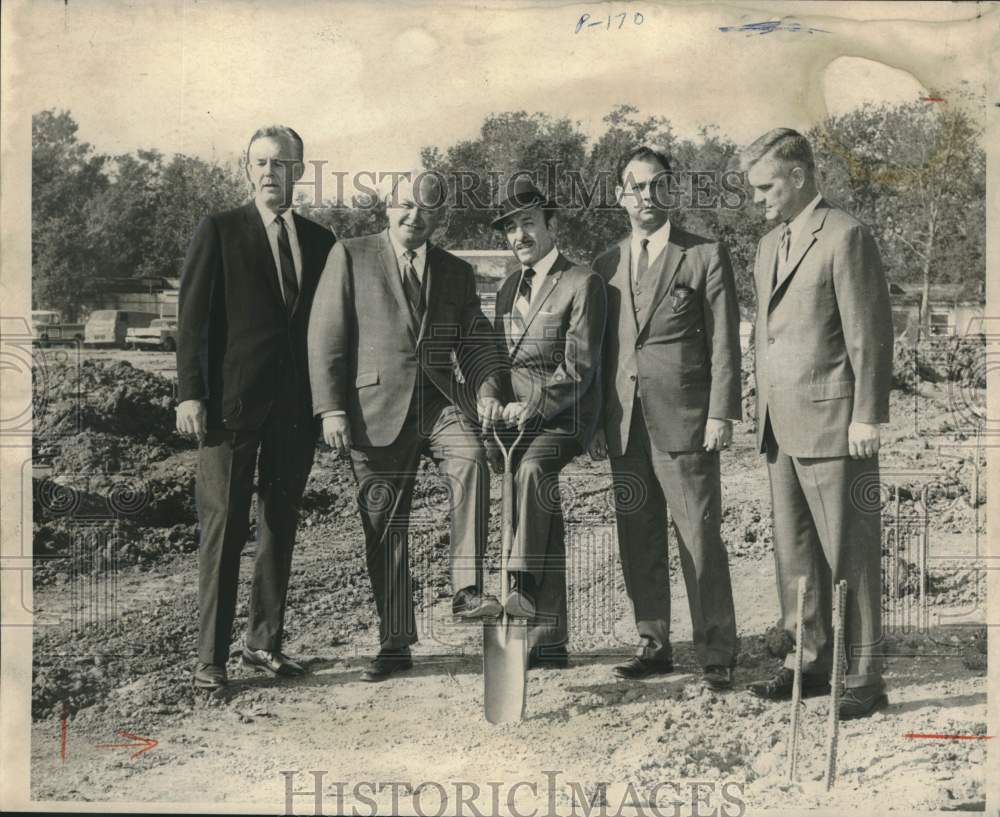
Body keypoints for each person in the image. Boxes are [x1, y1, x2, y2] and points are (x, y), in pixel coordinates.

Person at [307, 170, 505, 682]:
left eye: (427, 208)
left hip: (439, 404)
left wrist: (486, 390)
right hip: (372, 410)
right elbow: (327, 334)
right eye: (405, 206)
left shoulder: (456, 272)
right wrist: (331, 409)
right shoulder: (349, 254)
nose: (414, 216)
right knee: (383, 525)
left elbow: (477, 340)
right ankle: (394, 642)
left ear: (439, 216)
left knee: (473, 458)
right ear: (387, 209)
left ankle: (466, 590)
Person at [176, 125, 336, 691]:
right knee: (223, 529)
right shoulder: (219, 231)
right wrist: (189, 392)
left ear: (299, 170)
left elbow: (327, 327)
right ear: (248, 171)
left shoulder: (321, 242)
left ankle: (264, 644)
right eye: (260, 163)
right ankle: (209, 660)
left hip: (295, 411)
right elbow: (193, 320)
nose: (270, 171)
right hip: (228, 410)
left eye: (281, 163)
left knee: (280, 525)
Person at [741, 128, 893, 719]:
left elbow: (868, 335)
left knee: (849, 556)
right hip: (781, 426)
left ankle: (864, 676)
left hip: (835, 426)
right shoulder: (767, 245)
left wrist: (868, 415)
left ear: (799, 176)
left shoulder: (847, 236)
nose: (758, 199)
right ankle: (806, 658)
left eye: (766, 186)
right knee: (795, 553)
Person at [590, 145, 742, 689]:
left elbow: (725, 341)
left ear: (670, 190)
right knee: (639, 536)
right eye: (635, 187)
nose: (646, 197)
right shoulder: (605, 265)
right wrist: (594, 422)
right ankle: (653, 644)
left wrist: (722, 412)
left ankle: (717, 652)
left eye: (657, 185)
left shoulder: (703, 254)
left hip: (687, 421)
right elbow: (600, 350)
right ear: (619, 196)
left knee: (699, 536)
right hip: (625, 422)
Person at [489, 177, 606, 669]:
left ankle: (517, 580)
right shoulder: (506, 288)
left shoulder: (583, 282)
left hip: (563, 417)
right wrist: (490, 397)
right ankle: (549, 639)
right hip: (510, 423)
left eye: (528, 224)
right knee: (535, 503)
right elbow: (495, 359)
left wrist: (532, 406)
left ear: (551, 225)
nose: (519, 236)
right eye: (511, 228)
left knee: (534, 473)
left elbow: (579, 366)